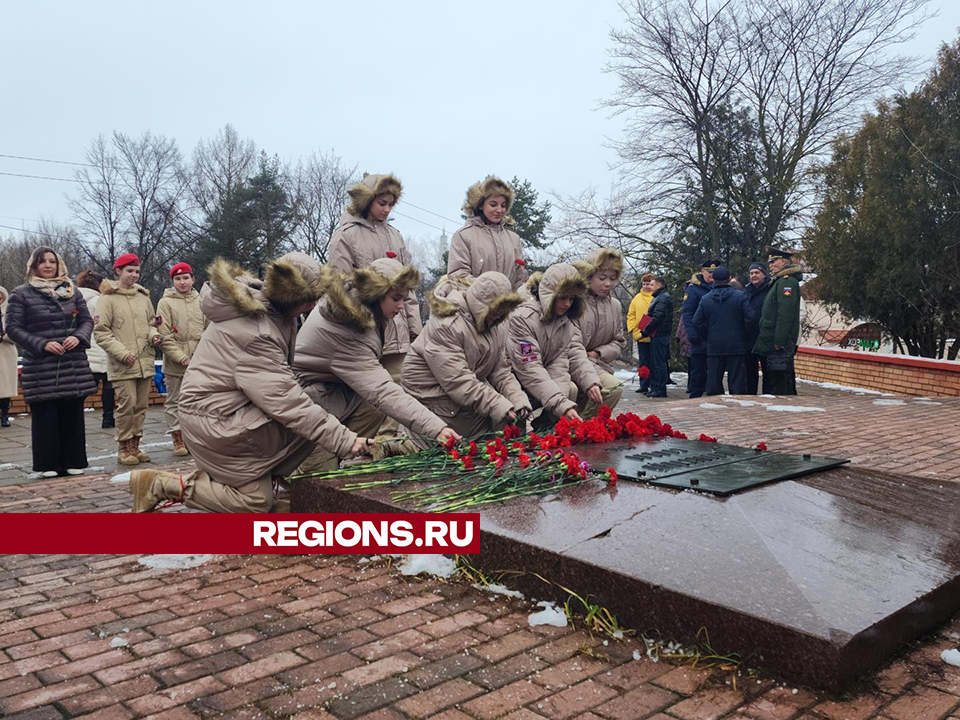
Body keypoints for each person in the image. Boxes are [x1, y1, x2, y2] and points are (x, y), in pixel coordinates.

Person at [128, 252, 374, 513]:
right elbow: (287, 403)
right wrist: (348, 441)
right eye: (308, 299)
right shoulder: (257, 332)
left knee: (314, 414)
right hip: (215, 424)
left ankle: (265, 478)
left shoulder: (273, 314)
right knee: (257, 502)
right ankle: (162, 485)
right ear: (288, 295)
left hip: (225, 413)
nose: (312, 306)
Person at [293, 258, 459, 471]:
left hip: (331, 394)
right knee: (314, 481)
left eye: (404, 299)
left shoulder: (362, 311)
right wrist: (436, 429)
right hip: (308, 406)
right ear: (375, 292)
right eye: (396, 298)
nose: (401, 306)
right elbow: (382, 391)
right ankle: (307, 468)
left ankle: (337, 457)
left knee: (373, 407)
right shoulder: (345, 328)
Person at [402, 272, 529, 443]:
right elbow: (459, 382)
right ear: (480, 303)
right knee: (467, 446)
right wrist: (500, 405)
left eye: (503, 312)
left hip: (463, 396)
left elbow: (500, 371)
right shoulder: (446, 325)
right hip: (433, 399)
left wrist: (518, 400)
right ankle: (403, 444)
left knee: (502, 430)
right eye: (495, 310)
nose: (498, 316)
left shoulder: (497, 324)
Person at [4, 247, 96, 476]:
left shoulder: (72, 292)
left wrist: (78, 337)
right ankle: (47, 464)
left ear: (59, 264)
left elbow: (86, 321)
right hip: (41, 364)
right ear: (33, 266)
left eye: (52, 261)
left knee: (72, 413)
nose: (47, 265)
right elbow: (13, 328)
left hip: (72, 362)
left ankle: (74, 461)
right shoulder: (20, 293)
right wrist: (41, 344)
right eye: (42, 262)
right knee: (45, 415)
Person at [327, 174, 420, 389]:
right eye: (382, 203)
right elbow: (339, 288)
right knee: (368, 397)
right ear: (366, 200)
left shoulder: (396, 236)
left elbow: (408, 287)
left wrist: (414, 326)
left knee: (401, 394)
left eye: (391, 204)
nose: (387, 210)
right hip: (363, 332)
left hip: (399, 334)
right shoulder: (344, 236)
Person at [509, 263, 601, 428]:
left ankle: (546, 429)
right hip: (512, 381)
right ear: (549, 294)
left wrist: (561, 404)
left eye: (572, 299)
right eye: (562, 297)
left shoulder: (565, 322)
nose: (567, 304)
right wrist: (560, 404)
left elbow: (559, 364)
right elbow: (529, 368)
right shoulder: (522, 319)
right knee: (513, 437)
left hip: (536, 380)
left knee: (568, 391)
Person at [94, 254, 162, 466]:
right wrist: (122, 353)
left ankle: (136, 444)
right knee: (127, 405)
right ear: (118, 271)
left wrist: (154, 336)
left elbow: (151, 323)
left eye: (136, 271)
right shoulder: (107, 298)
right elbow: (101, 332)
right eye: (129, 271)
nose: (134, 275)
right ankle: (123, 446)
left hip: (144, 361)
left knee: (141, 406)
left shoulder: (143, 297)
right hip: (123, 363)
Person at [157, 262, 207, 457]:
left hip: (200, 359)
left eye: (185, 277)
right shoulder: (165, 302)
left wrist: (203, 355)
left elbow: (210, 329)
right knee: (175, 401)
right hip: (177, 361)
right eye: (177, 279)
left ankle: (196, 437)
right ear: (172, 282)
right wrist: (182, 358)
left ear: (193, 279)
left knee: (199, 401)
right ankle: (178, 437)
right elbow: (164, 336)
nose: (182, 282)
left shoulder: (201, 300)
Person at [448, 176, 528, 292]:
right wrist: (490, 291)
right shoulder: (463, 236)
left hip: (509, 307)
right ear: (481, 205)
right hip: (475, 305)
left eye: (503, 205)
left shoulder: (514, 239)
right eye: (493, 204)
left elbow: (519, 279)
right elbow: (458, 275)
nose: (499, 210)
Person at [572, 249, 626, 417]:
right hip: (572, 363)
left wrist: (598, 353)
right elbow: (568, 342)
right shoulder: (574, 302)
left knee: (612, 388)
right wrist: (585, 358)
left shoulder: (615, 305)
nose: (608, 284)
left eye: (612, 278)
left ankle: (582, 428)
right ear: (589, 276)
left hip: (599, 363)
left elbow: (618, 341)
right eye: (602, 278)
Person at [692, 267, 755, 396]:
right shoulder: (740, 296)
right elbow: (750, 318)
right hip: (736, 344)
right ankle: (737, 407)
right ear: (729, 278)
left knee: (713, 380)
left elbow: (697, 321)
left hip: (714, 344)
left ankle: (715, 407)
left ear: (713, 280)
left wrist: (707, 335)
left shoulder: (706, 299)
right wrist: (744, 334)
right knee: (737, 380)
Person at [753, 247, 803, 395]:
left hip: (776, 341)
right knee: (773, 378)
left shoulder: (786, 283)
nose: (770, 265)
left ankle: (782, 409)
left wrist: (779, 340)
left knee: (780, 381)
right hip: (770, 337)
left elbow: (785, 314)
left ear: (783, 262)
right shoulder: (779, 281)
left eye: (773, 261)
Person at [75, 270, 114, 429]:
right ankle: (108, 418)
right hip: (100, 348)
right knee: (108, 385)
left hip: (82, 348)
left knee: (83, 389)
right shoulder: (99, 300)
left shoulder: (74, 299)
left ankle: (74, 417)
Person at [680, 259, 718, 398]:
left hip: (714, 335)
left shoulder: (718, 286)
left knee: (713, 370)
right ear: (702, 272)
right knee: (697, 370)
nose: (711, 275)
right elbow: (687, 313)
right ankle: (695, 397)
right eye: (709, 272)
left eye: (714, 272)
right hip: (698, 336)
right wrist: (692, 334)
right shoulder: (693, 288)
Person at [639, 275, 674, 398]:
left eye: (652, 285)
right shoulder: (659, 297)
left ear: (659, 285)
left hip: (660, 334)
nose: (650, 287)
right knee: (655, 362)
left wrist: (645, 331)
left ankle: (660, 388)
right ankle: (655, 387)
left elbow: (657, 318)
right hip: (657, 334)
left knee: (659, 363)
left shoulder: (662, 298)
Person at [743, 262, 773, 394]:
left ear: (764, 274)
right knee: (750, 371)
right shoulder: (746, 291)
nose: (754, 275)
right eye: (751, 273)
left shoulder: (771, 289)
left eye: (757, 273)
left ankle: (768, 396)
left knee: (768, 371)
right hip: (749, 337)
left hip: (765, 336)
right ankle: (750, 397)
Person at [627, 274, 655, 393]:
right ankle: (643, 384)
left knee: (654, 361)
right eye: (644, 284)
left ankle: (654, 384)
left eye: (648, 284)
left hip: (654, 335)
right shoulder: (637, 298)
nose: (646, 286)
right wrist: (633, 329)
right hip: (640, 334)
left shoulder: (656, 297)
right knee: (643, 362)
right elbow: (631, 315)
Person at [0, 286, 18, 428]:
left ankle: (4, 415)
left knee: (5, 386)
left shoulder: (10, 311)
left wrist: (4, 335)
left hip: (6, 352)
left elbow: (17, 332)